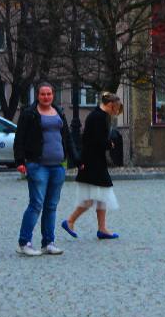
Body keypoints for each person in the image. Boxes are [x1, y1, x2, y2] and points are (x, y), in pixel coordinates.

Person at [13, 82, 78, 257]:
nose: (46, 97)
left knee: (51, 206)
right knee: (36, 204)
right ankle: (24, 242)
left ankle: (48, 242)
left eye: (49, 94)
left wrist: (76, 158)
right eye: (43, 94)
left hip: (57, 166)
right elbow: (19, 139)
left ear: (53, 95)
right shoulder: (29, 114)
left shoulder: (59, 113)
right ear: (38, 96)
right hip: (37, 165)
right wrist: (20, 161)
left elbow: (67, 138)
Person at [61, 92, 123, 241]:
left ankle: (102, 228)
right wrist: (110, 144)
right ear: (110, 104)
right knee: (92, 197)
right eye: (116, 108)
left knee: (101, 195)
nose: (116, 112)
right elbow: (97, 140)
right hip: (92, 161)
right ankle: (70, 221)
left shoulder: (97, 115)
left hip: (93, 160)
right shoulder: (99, 117)